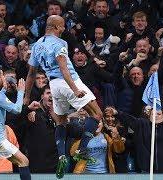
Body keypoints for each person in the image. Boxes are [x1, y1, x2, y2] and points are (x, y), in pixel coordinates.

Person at [24, 15, 103, 179]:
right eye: (62, 26)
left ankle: (62, 155)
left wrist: (26, 97)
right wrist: (74, 89)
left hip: (53, 85)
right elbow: (63, 67)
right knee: (97, 114)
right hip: (69, 82)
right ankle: (81, 149)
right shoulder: (60, 43)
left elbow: (31, 74)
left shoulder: (37, 45)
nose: (64, 29)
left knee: (61, 122)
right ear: (55, 26)